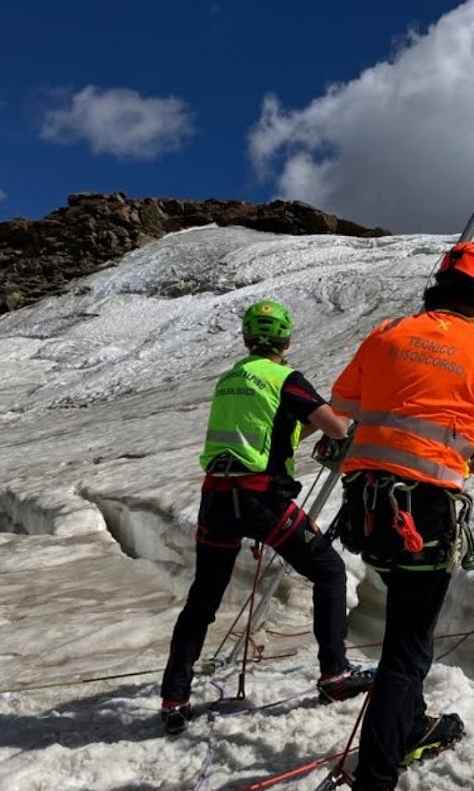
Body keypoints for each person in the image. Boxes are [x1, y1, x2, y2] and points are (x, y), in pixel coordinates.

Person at [329, 241, 474, 791]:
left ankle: (410, 726)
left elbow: (343, 407)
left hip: (367, 508)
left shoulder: (387, 333)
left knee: (403, 631)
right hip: (426, 516)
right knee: (406, 652)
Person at [159, 300, 374, 734]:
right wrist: (351, 424)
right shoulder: (284, 378)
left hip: (217, 497)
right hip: (259, 499)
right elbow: (333, 428)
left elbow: (277, 426)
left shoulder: (231, 379)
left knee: (204, 597)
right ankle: (335, 675)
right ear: (287, 340)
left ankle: (175, 696)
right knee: (329, 571)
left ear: (245, 339)